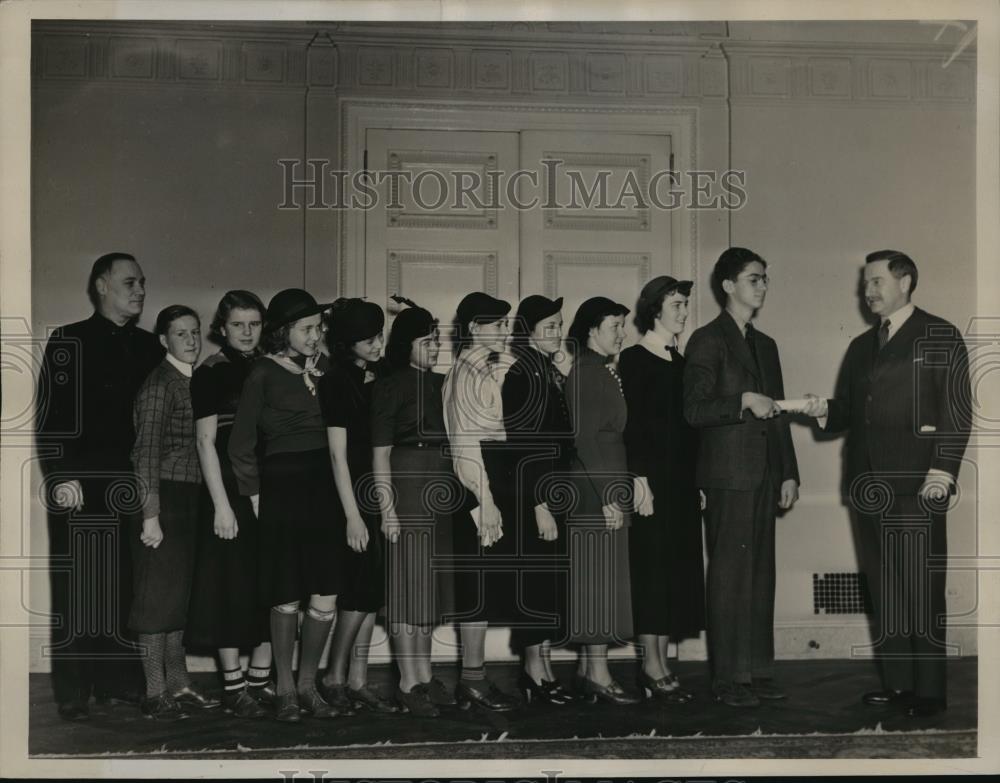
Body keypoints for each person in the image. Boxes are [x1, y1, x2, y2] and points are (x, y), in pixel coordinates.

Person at [803, 250, 971, 718]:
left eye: (876, 281)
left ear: (906, 281)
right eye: (864, 284)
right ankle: (899, 685)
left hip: (917, 486)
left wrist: (942, 472)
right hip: (866, 486)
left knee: (920, 588)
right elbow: (849, 413)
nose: (868, 291)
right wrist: (822, 410)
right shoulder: (861, 346)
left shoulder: (939, 333)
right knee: (887, 589)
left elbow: (957, 411)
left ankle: (931, 691)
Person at [36, 252, 164, 721]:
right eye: (129, 282)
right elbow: (51, 419)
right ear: (101, 286)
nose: (140, 290)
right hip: (81, 482)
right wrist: (61, 476)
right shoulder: (68, 339)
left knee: (126, 583)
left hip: (134, 481)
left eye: (143, 283)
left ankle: (118, 681)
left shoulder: (152, 348)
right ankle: (73, 689)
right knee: (80, 586)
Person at [682, 247, 800, 709]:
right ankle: (728, 678)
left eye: (765, 279)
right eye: (754, 279)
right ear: (728, 286)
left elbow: (780, 413)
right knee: (730, 577)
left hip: (765, 474)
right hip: (727, 476)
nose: (763, 287)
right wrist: (741, 401)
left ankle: (757, 671)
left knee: (760, 576)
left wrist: (788, 472)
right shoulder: (707, 340)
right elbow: (692, 410)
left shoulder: (766, 344)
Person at [228, 288, 347, 722]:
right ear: (284, 332)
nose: (316, 336)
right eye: (307, 329)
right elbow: (240, 445)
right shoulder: (261, 373)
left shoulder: (328, 369)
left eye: (319, 328)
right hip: (281, 488)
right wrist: (257, 498)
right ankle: (283, 689)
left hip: (325, 487)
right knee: (285, 593)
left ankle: (307, 685)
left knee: (325, 593)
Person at [130, 305, 221, 720]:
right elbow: (144, 454)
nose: (190, 340)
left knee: (178, 598)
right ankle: (155, 692)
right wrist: (151, 514)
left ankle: (179, 683)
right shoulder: (159, 385)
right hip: (164, 497)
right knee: (155, 600)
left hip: (191, 498)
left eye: (195, 332)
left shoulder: (195, 379)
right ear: (164, 340)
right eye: (180, 334)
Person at [184, 291, 272, 719]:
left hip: (268, 487)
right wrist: (221, 505)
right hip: (227, 491)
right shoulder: (210, 373)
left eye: (254, 324)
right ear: (222, 327)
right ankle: (234, 687)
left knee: (270, 582)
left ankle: (261, 681)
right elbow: (204, 441)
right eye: (238, 324)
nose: (247, 332)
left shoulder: (271, 366)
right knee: (228, 587)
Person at [370, 304, 457, 717]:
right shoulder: (390, 386)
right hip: (405, 487)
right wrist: (387, 510)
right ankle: (407, 681)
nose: (436, 346)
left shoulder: (443, 383)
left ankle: (423, 676)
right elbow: (381, 454)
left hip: (437, 490)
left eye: (437, 339)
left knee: (426, 591)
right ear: (406, 346)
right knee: (406, 590)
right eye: (427, 341)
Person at [619, 276, 703, 703]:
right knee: (651, 572)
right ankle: (649, 665)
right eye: (675, 304)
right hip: (650, 485)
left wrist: (699, 481)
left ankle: (662, 662)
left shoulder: (681, 361)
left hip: (682, 486)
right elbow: (630, 428)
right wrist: (637, 479)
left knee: (674, 572)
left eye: (685, 304)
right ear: (654, 309)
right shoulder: (634, 360)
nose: (683, 312)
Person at [317, 298, 397, 715]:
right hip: (347, 495)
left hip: (376, 491)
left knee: (371, 590)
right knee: (359, 588)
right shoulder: (335, 382)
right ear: (348, 344)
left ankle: (358, 681)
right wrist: (351, 514)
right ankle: (332, 676)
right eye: (369, 340)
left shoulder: (380, 373)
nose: (378, 344)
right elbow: (337, 455)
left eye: (380, 336)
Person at [442, 292, 520, 712]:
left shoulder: (485, 369)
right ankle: (471, 682)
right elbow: (464, 445)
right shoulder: (464, 374)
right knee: (477, 587)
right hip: (478, 485)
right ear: (474, 328)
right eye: (495, 325)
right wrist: (485, 500)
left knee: (486, 585)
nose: (503, 333)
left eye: (505, 325)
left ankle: (475, 679)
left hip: (492, 479)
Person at [501, 295, 576, 705]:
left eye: (559, 324)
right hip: (535, 495)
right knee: (534, 584)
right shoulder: (522, 374)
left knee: (548, 585)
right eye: (549, 326)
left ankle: (543, 667)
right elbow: (519, 447)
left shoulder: (545, 369)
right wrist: (538, 505)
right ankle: (532, 670)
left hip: (554, 489)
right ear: (529, 331)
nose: (557, 332)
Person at [564, 296, 639, 705]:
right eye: (615, 326)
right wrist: (609, 497)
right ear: (592, 329)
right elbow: (583, 439)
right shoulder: (587, 372)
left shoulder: (600, 371)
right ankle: (597, 673)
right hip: (596, 490)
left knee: (603, 580)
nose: (622, 334)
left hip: (606, 483)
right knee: (596, 582)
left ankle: (586, 670)